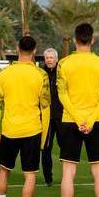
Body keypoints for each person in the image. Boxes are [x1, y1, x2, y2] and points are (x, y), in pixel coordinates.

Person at [53, 23, 99, 197]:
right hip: (95, 123)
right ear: (92, 40)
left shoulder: (64, 64)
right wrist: (91, 118)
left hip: (71, 121)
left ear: (76, 39)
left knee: (68, 173)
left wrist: (79, 119)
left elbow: (62, 95)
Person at [0, 36, 51, 197]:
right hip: (32, 130)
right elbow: (46, 108)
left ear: (17, 49)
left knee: (3, 171)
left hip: (9, 130)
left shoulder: (3, 74)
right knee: (30, 175)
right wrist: (43, 140)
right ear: (34, 51)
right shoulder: (41, 75)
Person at [41, 48, 62, 187]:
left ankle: (67, 177)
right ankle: (48, 179)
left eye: (51, 57)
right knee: (46, 148)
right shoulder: (40, 74)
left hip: (62, 116)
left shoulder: (62, 73)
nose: (49, 60)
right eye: (47, 58)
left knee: (65, 147)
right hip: (46, 117)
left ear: (56, 59)